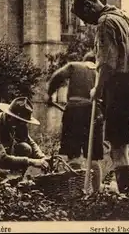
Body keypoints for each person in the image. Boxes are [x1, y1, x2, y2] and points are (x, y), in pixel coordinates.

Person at [70, 0, 129, 193]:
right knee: (122, 144)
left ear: (89, 6)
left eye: (86, 18)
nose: (89, 23)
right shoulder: (126, 16)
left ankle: (126, 196)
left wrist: (97, 90)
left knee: (117, 148)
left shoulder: (105, 22)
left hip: (119, 88)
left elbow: (106, 64)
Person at [45, 51, 104, 192]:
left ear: (84, 60)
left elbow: (56, 77)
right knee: (94, 157)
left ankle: (76, 192)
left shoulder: (74, 66)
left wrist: (50, 95)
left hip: (74, 112)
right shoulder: (101, 73)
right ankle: (96, 193)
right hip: (94, 113)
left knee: (73, 155)